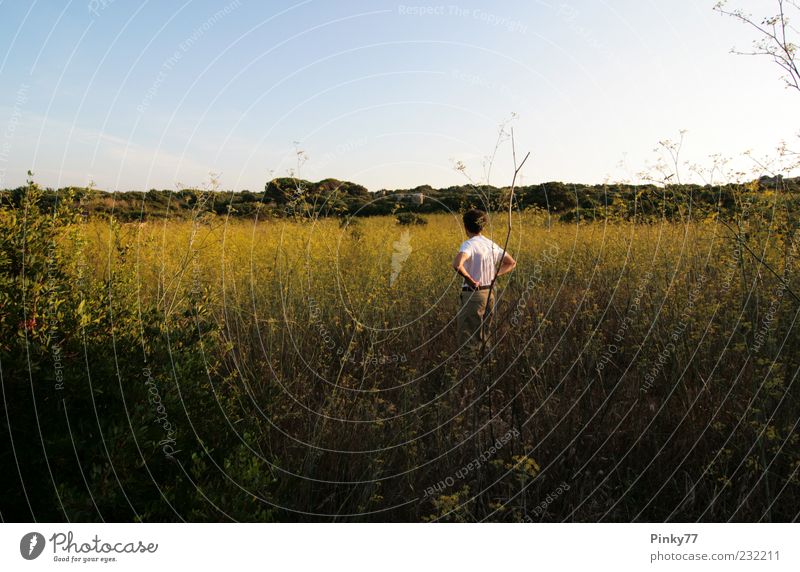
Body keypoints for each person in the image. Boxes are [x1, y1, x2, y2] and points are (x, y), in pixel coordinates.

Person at [452, 209, 516, 355]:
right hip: (489, 294)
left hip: (473, 296)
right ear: (483, 226)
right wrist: (494, 275)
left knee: (468, 339)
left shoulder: (469, 245)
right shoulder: (490, 244)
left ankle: (470, 375)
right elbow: (511, 263)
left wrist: (470, 280)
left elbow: (457, 264)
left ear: (466, 226)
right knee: (484, 335)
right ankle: (485, 370)